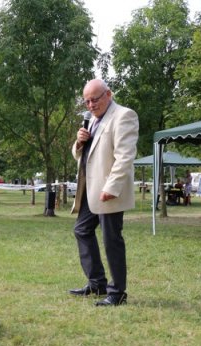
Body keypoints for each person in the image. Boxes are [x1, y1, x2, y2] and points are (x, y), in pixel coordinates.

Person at [68, 79, 138, 307]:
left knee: (111, 241)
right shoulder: (92, 121)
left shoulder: (124, 116)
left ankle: (117, 293)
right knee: (81, 230)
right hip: (90, 190)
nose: (90, 105)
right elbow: (83, 155)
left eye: (94, 99)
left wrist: (111, 187)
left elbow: (125, 156)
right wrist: (79, 143)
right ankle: (97, 283)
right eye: (86, 101)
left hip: (109, 190)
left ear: (109, 94)